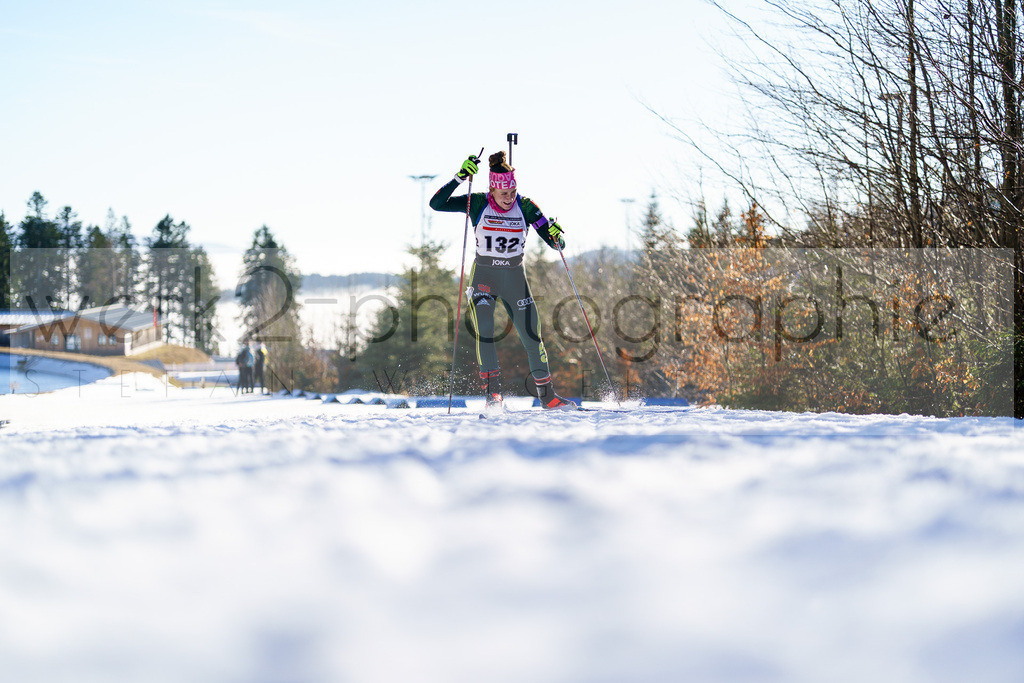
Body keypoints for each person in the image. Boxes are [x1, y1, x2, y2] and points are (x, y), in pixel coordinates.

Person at [429, 150, 576, 409]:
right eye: (504, 193)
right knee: (485, 331)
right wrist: (460, 177)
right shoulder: (477, 202)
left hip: (514, 277)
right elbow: (437, 204)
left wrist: (557, 235)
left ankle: (548, 397)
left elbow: (556, 244)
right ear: (492, 191)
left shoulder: (526, 206)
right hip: (484, 276)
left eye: (513, 192)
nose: (509, 198)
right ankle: (493, 396)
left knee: (532, 335)